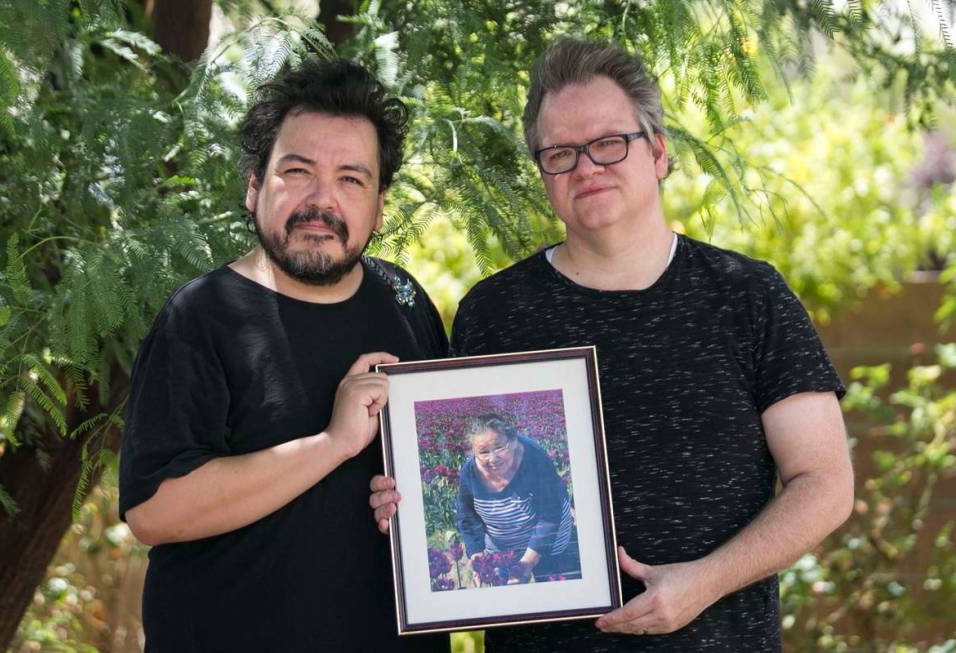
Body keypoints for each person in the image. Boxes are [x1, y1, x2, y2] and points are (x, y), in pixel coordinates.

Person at [371, 38, 853, 651]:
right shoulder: (494, 313)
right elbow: (466, 474)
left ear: (657, 152)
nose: (586, 168)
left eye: (608, 144)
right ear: (542, 172)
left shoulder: (748, 296)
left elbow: (825, 483)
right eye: (561, 153)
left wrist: (705, 582)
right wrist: (405, 502)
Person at [119, 59, 449, 652]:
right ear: (254, 186)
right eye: (297, 171)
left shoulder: (406, 302)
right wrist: (332, 445)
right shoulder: (201, 316)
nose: (322, 200)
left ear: (378, 207)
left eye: (352, 179)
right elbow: (154, 510)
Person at [456, 413, 581, 585]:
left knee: (554, 595)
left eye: (499, 448)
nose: (493, 458)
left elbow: (550, 513)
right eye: (483, 452)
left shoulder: (535, 459)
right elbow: (467, 517)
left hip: (550, 545)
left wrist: (527, 562)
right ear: (473, 452)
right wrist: (477, 555)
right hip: (502, 552)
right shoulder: (469, 473)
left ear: (513, 442)